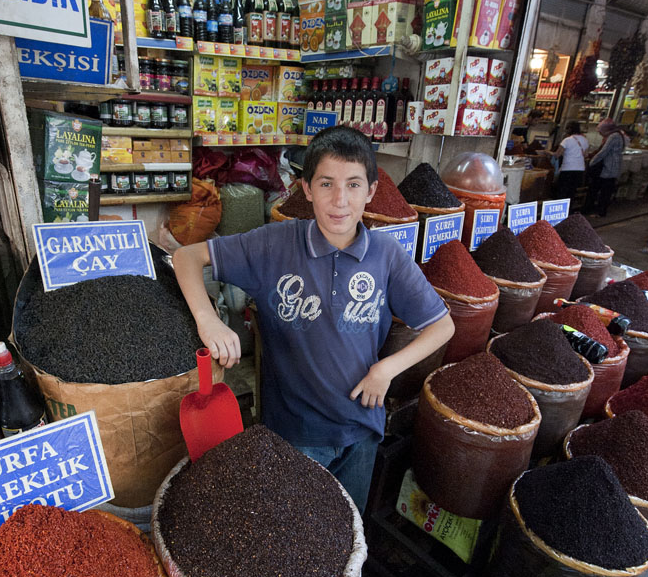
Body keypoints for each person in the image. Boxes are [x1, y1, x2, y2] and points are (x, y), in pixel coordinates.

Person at [173, 127, 455, 513]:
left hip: (360, 431)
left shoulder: (386, 254)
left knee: (348, 530)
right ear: (306, 188)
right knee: (295, 535)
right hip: (294, 436)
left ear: (371, 191)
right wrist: (209, 320)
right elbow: (186, 257)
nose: (340, 200)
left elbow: (443, 325)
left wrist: (386, 369)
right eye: (326, 184)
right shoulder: (274, 244)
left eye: (353, 185)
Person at [584, 118, 625, 217]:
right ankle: (592, 209)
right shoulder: (617, 135)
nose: (600, 133)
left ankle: (599, 212)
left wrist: (592, 162)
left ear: (606, 129)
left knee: (603, 192)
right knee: (600, 190)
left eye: (601, 131)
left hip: (608, 169)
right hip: (609, 169)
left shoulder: (614, 136)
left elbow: (604, 151)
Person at [552, 119, 588, 201]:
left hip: (567, 169)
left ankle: (561, 208)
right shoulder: (585, 140)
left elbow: (557, 154)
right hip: (580, 170)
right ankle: (569, 208)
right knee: (571, 193)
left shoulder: (567, 140)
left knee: (562, 192)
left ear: (569, 129)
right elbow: (586, 155)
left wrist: (547, 152)